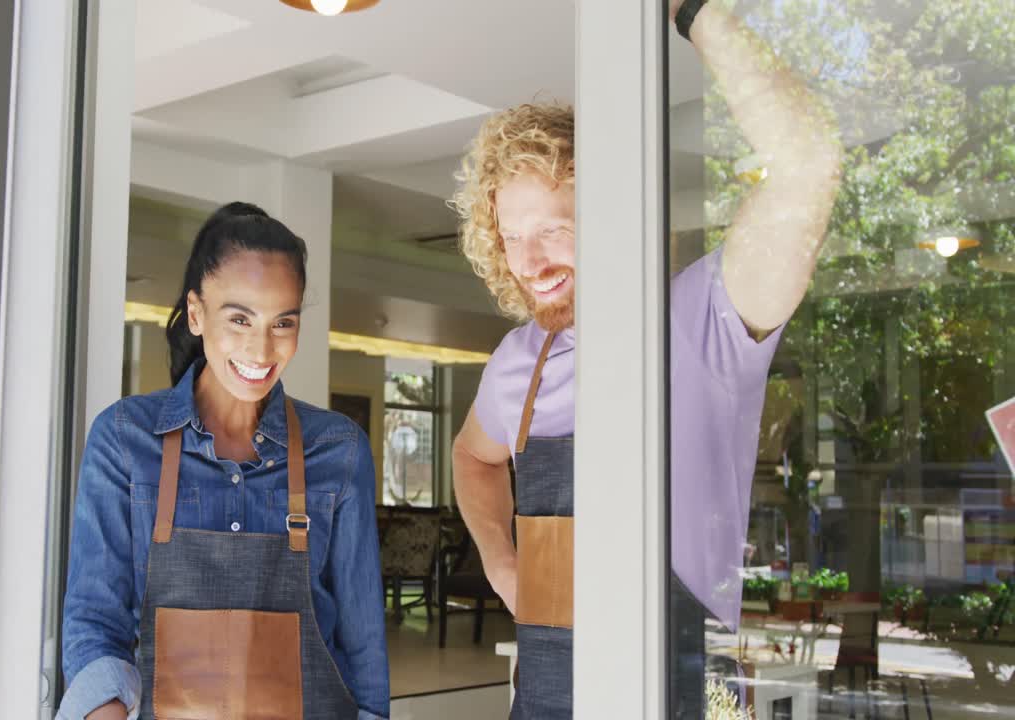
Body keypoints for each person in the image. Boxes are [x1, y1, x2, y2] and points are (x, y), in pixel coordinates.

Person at [449, 1, 843, 717]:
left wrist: (692, 11)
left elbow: (808, 166)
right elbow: (472, 458)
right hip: (546, 696)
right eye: (513, 236)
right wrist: (505, 570)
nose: (532, 261)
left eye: (556, 229)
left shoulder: (699, 320)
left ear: (614, 209)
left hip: (679, 689)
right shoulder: (518, 362)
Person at [56, 202, 390, 720]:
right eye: (240, 318)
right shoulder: (124, 440)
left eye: (283, 322)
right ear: (196, 313)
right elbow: (94, 623)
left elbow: (363, 643)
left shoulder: (339, 451)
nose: (261, 349)